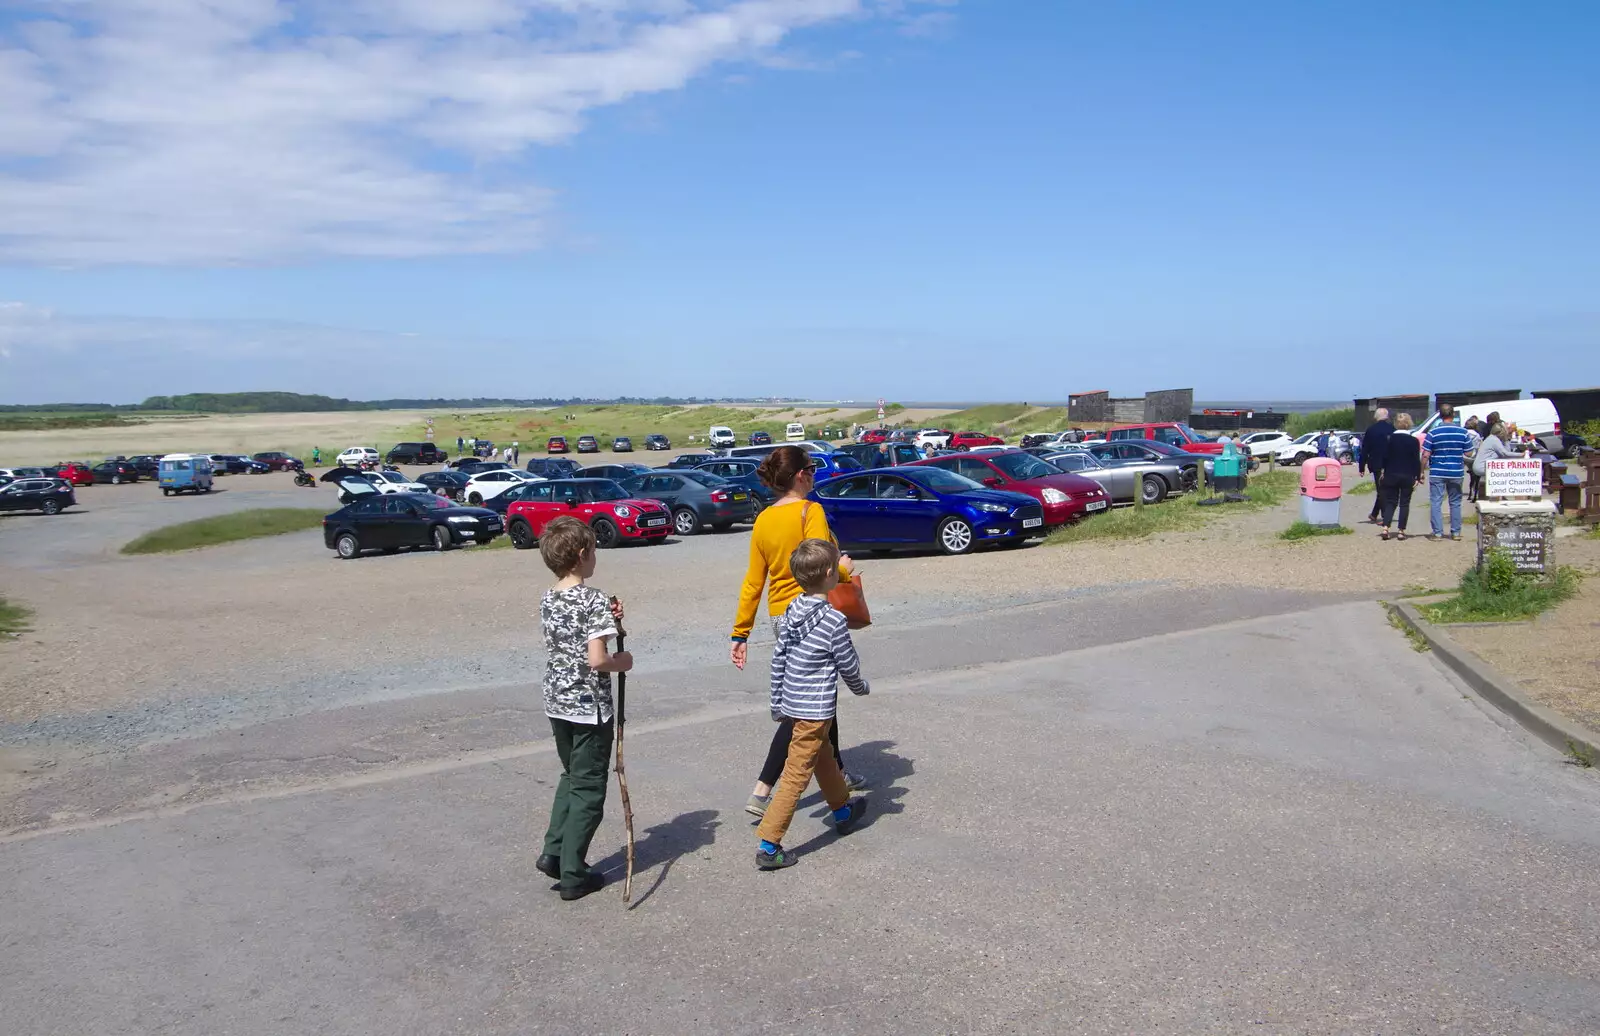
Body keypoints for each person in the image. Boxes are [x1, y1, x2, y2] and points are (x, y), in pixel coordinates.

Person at [731, 445, 865, 818]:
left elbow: (753, 582)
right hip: (813, 611)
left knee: (816, 698)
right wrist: (844, 569)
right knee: (811, 705)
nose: (815, 474)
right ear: (800, 475)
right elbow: (821, 561)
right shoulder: (811, 510)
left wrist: (740, 632)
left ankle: (837, 774)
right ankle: (762, 789)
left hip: (780, 616)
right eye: (811, 468)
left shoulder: (763, 521)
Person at [754, 538, 870, 870]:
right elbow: (847, 663)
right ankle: (769, 844)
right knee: (796, 775)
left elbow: (779, 659)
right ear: (832, 573)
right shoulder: (833, 620)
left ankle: (842, 811)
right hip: (815, 712)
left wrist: (777, 701)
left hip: (794, 705)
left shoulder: (792, 611)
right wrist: (860, 687)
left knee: (824, 759)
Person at [534, 517, 633, 901]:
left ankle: (554, 851)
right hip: (588, 707)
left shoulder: (549, 597)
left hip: (557, 700)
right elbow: (597, 659)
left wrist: (612, 619)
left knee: (571, 776)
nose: (596, 558)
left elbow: (576, 633)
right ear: (581, 555)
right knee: (589, 787)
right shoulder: (592, 599)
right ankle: (574, 873)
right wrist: (622, 661)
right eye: (593, 551)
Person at [1421, 403, 1472, 541]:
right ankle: (1455, 532)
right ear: (1453, 414)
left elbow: (1425, 454)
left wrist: (1421, 471)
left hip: (1437, 471)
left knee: (1436, 501)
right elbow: (1469, 452)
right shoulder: (1463, 432)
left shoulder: (1433, 433)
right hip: (1456, 471)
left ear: (1440, 416)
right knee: (1455, 502)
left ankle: (1437, 533)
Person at [1379, 413, 1422, 541]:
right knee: (1404, 503)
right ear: (1409, 423)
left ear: (1396, 424)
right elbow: (1416, 460)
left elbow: (1385, 457)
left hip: (1391, 474)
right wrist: (1417, 477)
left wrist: (1383, 471)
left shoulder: (1389, 439)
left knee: (1391, 502)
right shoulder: (1414, 441)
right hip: (1407, 475)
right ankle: (1401, 531)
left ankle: (1386, 527)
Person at [1360, 409, 1393, 524]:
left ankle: (1384, 516)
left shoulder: (1371, 430)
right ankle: (1375, 514)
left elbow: (1365, 449)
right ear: (1387, 416)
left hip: (1376, 463)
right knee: (1384, 489)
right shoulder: (1392, 429)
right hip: (1391, 463)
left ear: (1376, 417)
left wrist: (1361, 466)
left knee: (1381, 490)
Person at [1473, 422, 1518, 497]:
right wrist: (1522, 454)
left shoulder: (1491, 438)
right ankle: (1502, 493)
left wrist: (1505, 440)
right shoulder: (1494, 440)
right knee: (1508, 471)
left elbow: (1505, 453)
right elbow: (1506, 454)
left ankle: (1500, 494)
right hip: (1482, 467)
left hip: (1480, 466)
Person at [1463, 418, 1484, 500]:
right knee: (1475, 477)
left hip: (1463, 457)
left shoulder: (1463, 433)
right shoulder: (1477, 435)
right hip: (1473, 457)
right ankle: (1474, 494)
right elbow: (1479, 447)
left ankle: (1468, 493)